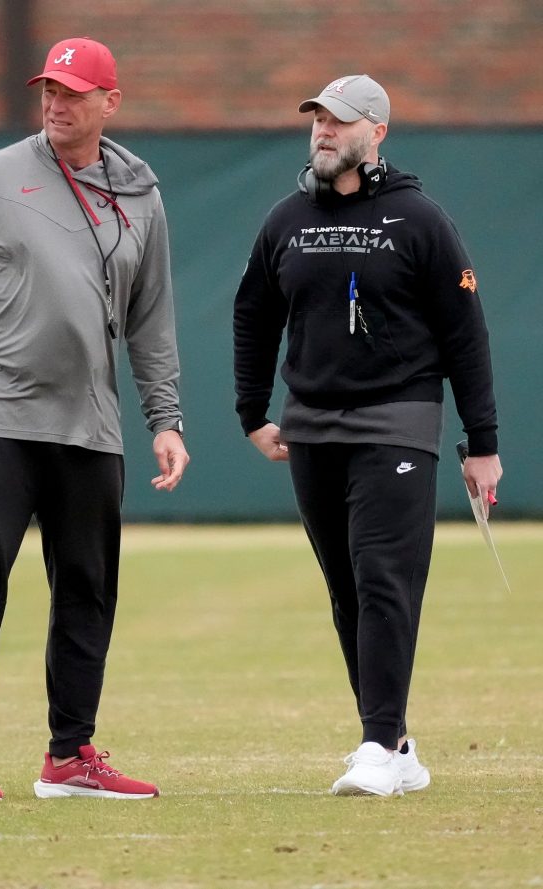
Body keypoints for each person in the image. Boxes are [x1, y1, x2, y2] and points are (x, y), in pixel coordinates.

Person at [0, 36, 189, 803]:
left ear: (110, 102)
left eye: (71, 92)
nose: (55, 103)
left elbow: (151, 319)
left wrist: (165, 418)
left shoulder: (142, 194)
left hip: (90, 426)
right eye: (48, 90)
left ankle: (70, 755)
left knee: (89, 589)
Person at [233, 75, 501, 796]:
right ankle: (400, 744)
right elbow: (253, 314)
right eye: (317, 118)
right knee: (349, 591)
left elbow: (464, 332)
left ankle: (376, 744)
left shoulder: (419, 219)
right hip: (312, 428)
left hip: (399, 424)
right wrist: (253, 413)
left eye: (339, 120)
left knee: (384, 580)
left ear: (376, 131)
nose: (322, 129)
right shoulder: (286, 219)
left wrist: (483, 442)